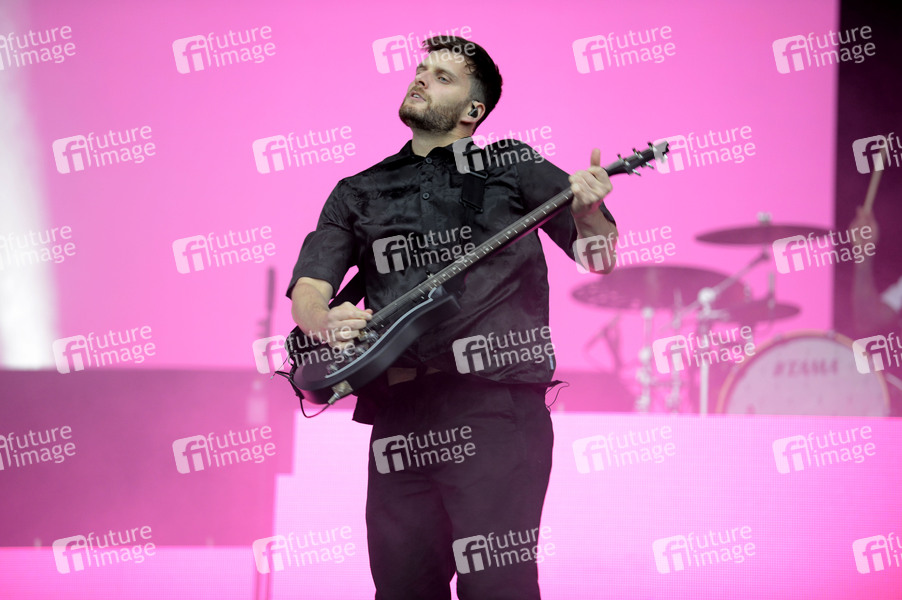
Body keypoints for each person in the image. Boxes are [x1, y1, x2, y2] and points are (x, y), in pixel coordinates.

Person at [287, 36, 617, 600]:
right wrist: (324, 319)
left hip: (494, 407)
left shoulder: (513, 165)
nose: (421, 78)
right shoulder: (358, 190)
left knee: (498, 587)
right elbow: (310, 288)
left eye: (443, 76)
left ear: (473, 110)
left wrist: (589, 214)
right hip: (399, 414)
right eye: (422, 69)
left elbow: (599, 258)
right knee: (402, 589)